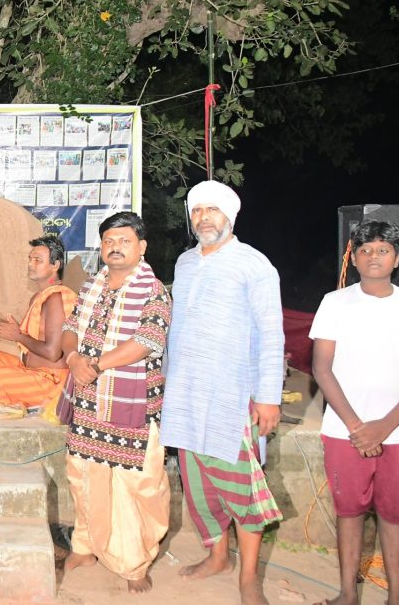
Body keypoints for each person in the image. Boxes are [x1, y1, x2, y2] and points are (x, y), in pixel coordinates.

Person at [161, 180, 284, 605]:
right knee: (198, 485)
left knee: (241, 487)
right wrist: (166, 381)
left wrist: (268, 397)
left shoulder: (254, 264)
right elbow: (176, 329)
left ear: (229, 216)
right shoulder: (184, 263)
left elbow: (271, 334)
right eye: (197, 210)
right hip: (185, 395)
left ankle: (248, 576)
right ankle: (218, 558)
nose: (204, 218)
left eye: (212, 210)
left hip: (232, 397)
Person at [60, 212, 171, 594]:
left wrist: (94, 365)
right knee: (83, 476)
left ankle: (134, 561)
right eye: (109, 241)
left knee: (137, 484)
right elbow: (70, 328)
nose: (115, 247)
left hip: (131, 404)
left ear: (142, 247)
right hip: (87, 401)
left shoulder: (154, 290)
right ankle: (85, 546)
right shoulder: (92, 286)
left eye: (124, 241)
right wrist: (74, 358)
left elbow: (147, 341)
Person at [310, 220, 399, 605]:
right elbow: (322, 368)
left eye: (383, 250)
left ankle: (397, 597)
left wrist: (383, 427)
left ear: (397, 259)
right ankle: (348, 594)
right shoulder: (335, 303)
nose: (373, 257)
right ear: (353, 258)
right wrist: (358, 427)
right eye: (365, 250)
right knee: (349, 512)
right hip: (345, 431)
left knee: (394, 515)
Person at [0, 235, 79, 409]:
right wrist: (6, 328)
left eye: (38, 260)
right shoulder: (38, 297)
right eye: (30, 259)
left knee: (0, 379)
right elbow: (34, 338)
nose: (30, 264)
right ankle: (17, 397)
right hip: (33, 371)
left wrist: (18, 336)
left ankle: (17, 401)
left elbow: (53, 353)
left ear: (55, 265)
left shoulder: (56, 298)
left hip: (53, 381)